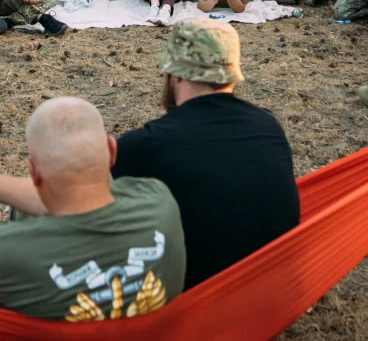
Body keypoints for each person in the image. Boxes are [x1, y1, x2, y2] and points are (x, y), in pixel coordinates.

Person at [0, 97, 187, 321]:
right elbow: (78, 192)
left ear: (33, 172)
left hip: (12, 294)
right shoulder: (159, 201)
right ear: (111, 151)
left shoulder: (2, 251)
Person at [111, 19, 299, 288]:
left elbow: (80, 205)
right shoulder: (268, 126)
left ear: (175, 74)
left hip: (196, 297)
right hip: (272, 286)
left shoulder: (146, 145)